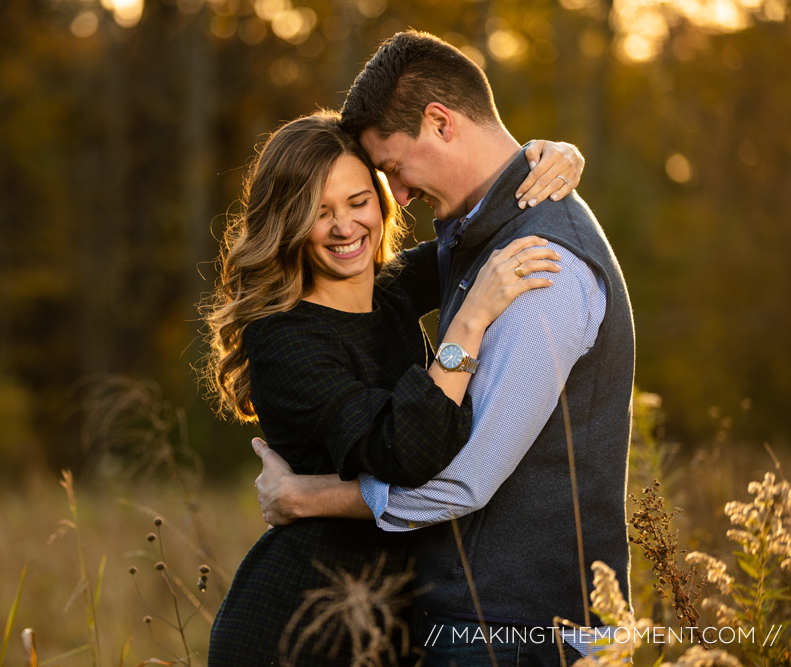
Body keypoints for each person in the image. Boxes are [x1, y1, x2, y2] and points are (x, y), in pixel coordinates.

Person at [253, 31, 635, 666]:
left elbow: (462, 482)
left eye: (391, 172)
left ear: (440, 122)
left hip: (514, 630)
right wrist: (550, 152)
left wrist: (307, 496)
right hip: (450, 624)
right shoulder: (474, 240)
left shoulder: (543, 267)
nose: (394, 198)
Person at [202, 108, 584, 665]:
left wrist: (553, 155)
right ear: (287, 222)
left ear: (380, 201)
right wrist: (467, 324)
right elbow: (405, 454)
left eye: (359, 203)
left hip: (390, 621)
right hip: (295, 626)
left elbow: (484, 222)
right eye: (319, 213)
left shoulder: (390, 288)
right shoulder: (283, 339)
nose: (345, 228)